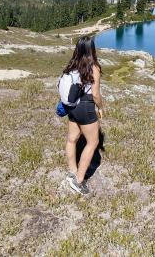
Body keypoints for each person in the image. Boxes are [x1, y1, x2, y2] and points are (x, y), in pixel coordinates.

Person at [60, 36, 104, 194]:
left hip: (72, 106)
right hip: (85, 107)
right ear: (91, 49)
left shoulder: (72, 65)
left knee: (72, 139)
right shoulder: (93, 67)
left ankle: (72, 172)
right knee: (93, 142)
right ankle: (78, 181)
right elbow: (96, 94)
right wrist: (100, 107)